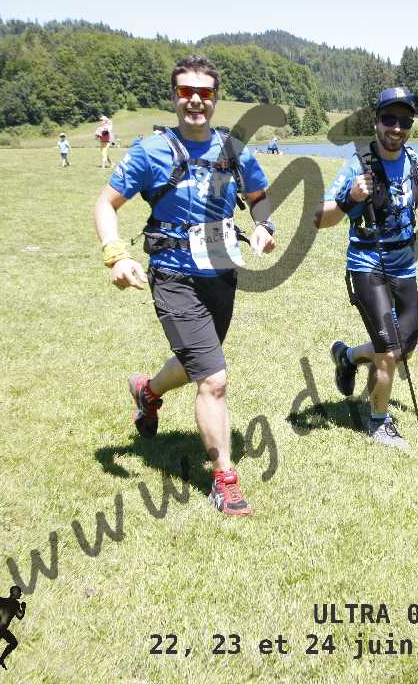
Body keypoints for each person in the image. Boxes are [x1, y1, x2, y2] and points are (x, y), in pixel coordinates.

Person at [93, 54, 277, 516]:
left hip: (221, 271)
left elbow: (258, 196)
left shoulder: (234, 149)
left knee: (198, 361)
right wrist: (116, 254)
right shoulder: (151, 151)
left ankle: (148, 390)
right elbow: (105, 204)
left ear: (215, 98)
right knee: (213, 377)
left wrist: (264, 225)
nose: (195, 99)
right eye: (186, 91)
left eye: (204, 92)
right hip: (173, 275)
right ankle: (225, 481)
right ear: (174, 96)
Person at [314, 86, 418, 449]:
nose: (396, 127)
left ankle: (347, 356)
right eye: (389, 118)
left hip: (404, 266)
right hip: (367, 265)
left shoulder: (416, 164)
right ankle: (378, 423)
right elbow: (320, 219)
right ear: (376, 121)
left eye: (404, 121)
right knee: (388, 351)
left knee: (404, 349)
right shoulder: (358, 166)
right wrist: (350, 198)